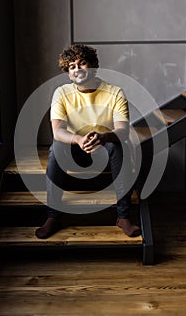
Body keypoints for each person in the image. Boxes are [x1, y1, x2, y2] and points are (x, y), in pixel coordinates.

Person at [35, 44, 141, 239]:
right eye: (72, 66)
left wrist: (102, 136)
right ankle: (53, 216)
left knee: (119, 145)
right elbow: (57, 131)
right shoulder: (61, 92)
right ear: (68, 73)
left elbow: (123, 131)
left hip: (104, 150)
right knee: (57, 146)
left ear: (93, 66)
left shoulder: (115, 92)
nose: (77, 69)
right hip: (75, 150)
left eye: (82, 63)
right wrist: (77, 139)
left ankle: (123, 216)